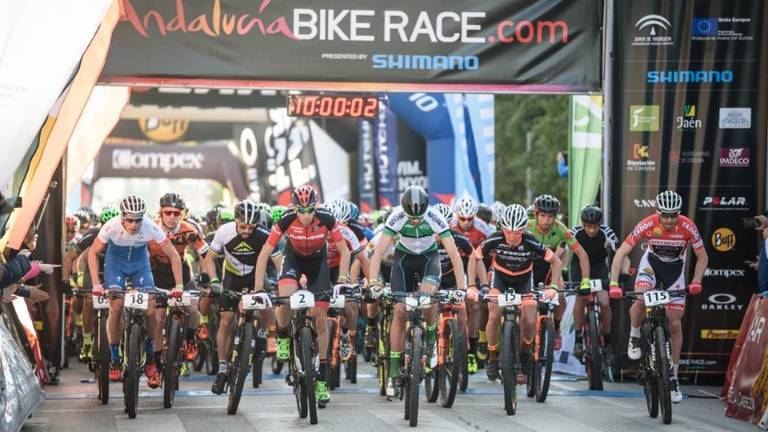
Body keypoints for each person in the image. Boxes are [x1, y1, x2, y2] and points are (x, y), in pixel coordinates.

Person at [253, 184, 350, 407]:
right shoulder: (286, 219)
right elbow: (265, 253)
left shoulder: (326, 218)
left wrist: (343, 279)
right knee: (286, 298)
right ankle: (283, 335)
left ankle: (322, 379)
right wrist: (259, 287)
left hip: (318, 263)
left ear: (316, 207)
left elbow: (344, 250)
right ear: (294, 207)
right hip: (293, 259)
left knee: (320, 318)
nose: (306, 216)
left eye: (310, 210)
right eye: (301, 210)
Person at [609, 190, 708, 403]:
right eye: (665, 215)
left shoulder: (688, 226)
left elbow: (703, 257)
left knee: (674, 324)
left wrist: (697, 281)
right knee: (640, 298)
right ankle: (635, 334)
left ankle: (673, 377)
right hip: (651, 265)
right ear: (657, 213)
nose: (670, 220)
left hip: (675, 271)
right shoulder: (647, 223)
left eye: (674, 215)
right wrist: (614, 283)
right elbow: (621, 253)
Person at [368, 186, 465, 397]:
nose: (415, 221)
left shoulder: (434, 216)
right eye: (411, 217)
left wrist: (461, 288)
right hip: (403, 261)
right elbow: (377, 254)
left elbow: (454, 255)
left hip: (429, 259)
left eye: (418, 217)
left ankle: (430, 342)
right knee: (400, 310)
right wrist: (373, 282)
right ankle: (394, 372)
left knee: (428, 295)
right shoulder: (396, 217)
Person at [88, 195, 184, 388]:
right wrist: (96, 284)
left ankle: (149, 357)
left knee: (150, 310)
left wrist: (179, 286)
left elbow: (173, 255)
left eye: (138, 220)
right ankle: (115, 358)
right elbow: (92, 253)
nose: (134, 224)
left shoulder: (149, 226)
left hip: (140, 267)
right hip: (115, 266)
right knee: (115, 307)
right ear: (122, 217)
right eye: (130, 220)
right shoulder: (110, 226)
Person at [469, 204, 561, 383]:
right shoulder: (495, 238)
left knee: (528, 319)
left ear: (524, 229)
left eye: (517, 232)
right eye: (508, 232)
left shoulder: (530, 240)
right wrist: (472, 285)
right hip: (500, 279)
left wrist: (554, 287)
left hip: (524, 281)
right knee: (494, 314)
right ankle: (493, 355)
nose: (512, 237)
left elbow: (556, 262)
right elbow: (474, 257)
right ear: (502, 228)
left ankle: (525, 353)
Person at [204, 199, 281, 395]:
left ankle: (263, 335)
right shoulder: (224, 231)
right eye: (243, 226)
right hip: (232, 277)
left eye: (251, 227)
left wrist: (284, 282)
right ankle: (222, 367)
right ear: (236, 221)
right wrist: (213, 280)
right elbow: (209, 259)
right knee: (226, 320)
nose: (247, 230)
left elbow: (279, 263)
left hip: (256, 275)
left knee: (267, 303)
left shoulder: (264, 235)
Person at [148, 193, 215, 376]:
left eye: (176, 213)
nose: (172, 217)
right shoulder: (150, 228)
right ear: (161, 212)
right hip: (157, 275)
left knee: (193, 309)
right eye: (168, 212)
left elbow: (205, 255)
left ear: (182, 214)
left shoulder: (189, 230)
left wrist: (207, 277)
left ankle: (191, 339)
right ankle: (154, 358)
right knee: (158, 317)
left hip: (183, 275)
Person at [527, 194, 590, 350]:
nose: (546, 221)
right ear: (535, 214)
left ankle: (555, 328)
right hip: (529, 269)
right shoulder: (526, 227)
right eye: (542, 216)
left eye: (551, 216)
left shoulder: (560, 228)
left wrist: (586, 280)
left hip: (551, 268)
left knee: (560, 296)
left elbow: (582, 254)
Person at [570, 205, 628, 362]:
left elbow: (623, 255)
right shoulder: (574, 232)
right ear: (582, 223)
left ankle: (607, 342)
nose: (591, 230)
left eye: (595, 226)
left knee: (604, 302)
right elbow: (561, 253)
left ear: (600, 223)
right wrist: (562, 277)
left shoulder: (607, 232)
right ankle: (578, 339)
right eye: (588, 226)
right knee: (580, 298)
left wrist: (624, 272)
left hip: (599, 269)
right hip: (579, 269)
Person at [451, 195, 493, 372]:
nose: (466, 222)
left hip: (475, 265)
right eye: (462, 219)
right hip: (454, 268)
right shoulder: (449, 226)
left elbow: (495, 251)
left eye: (470, 219)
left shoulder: (484, 229)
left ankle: (472, 348)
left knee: (475, 306)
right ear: (456, 216)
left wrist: (488, 275)